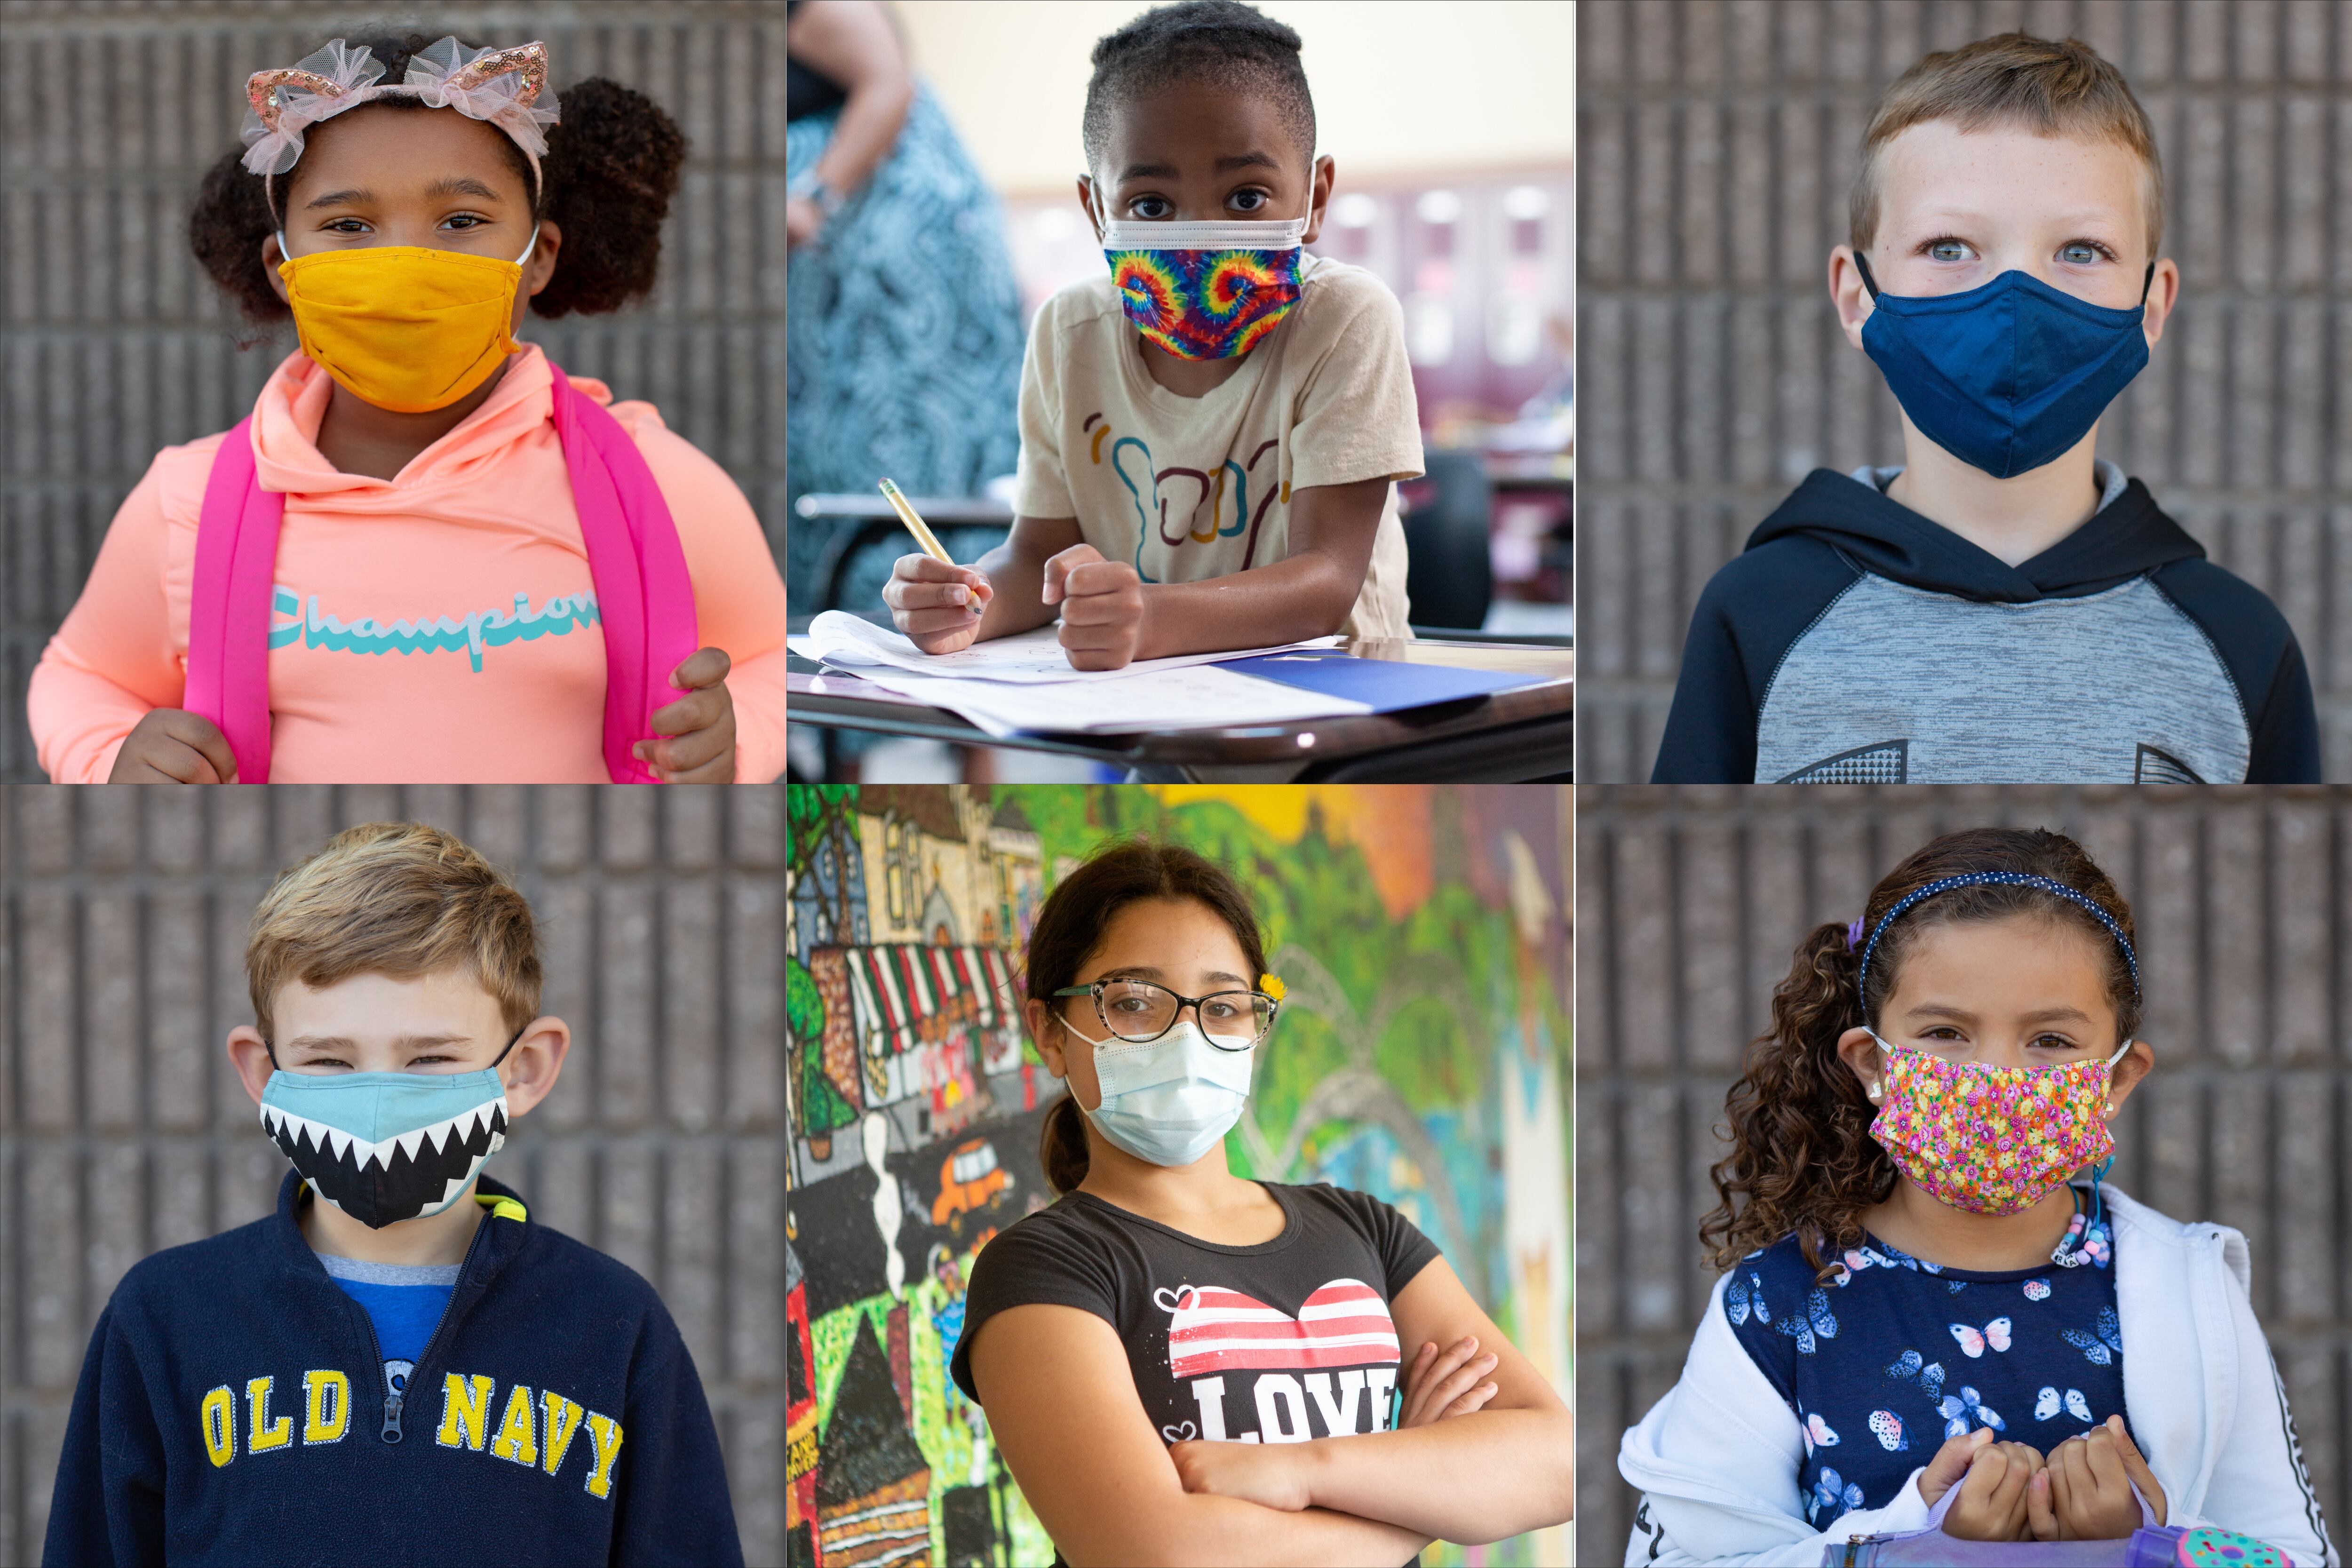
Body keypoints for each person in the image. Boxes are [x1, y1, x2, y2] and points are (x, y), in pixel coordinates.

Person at [29, 31, 793, 784]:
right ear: (282, 269)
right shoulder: (187, 503)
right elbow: (81, 676)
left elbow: (771, 662)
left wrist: (742, 737)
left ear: (539, 257)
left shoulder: (658, 483)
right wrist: (109, 758)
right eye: (347, 226)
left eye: (461, 221)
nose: (404, 264)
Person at [1617, 827, 2336, 1566]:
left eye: (2050, 1040)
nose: (1996, 1077)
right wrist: (1912, 1544)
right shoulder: (1775, 1306)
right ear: (1872, 1062)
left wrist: (2146, 1536)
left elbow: (2296, 1553)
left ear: (2117, 1079)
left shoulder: (2191, 1292)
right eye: (1945, 1032)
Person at [41, 821, 742, 1568]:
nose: (378, 1103)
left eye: (430, 1057)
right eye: (329, 1061)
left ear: (524, 1068)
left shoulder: (614, 1325)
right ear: (263, 1073)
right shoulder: (164, 1318)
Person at [1649, 32, 2318, 784]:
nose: (2015, 303)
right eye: (1948, 247)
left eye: (2081, 250)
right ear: (1857, 295)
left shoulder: (2241, 643)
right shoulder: (1756, 613)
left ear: (2152, 305)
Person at [949, 838, 1573, 1566]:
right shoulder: (1042, 1269)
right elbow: (1164, 1555)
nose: (1187, 1036)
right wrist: (1423, 1494)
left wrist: (1302, 1469)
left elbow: (1556, 1460)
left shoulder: (1362, 1227)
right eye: (1134, 1003)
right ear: (1050, 1032)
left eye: (1223, 1006)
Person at [882, 0, 1424, 672]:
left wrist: (1151, 618)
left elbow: (1326, 582)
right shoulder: (1069, 334)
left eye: (1246, 198)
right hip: (1146, 701)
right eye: (1152, 206)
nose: (1200, 236)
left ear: (1314, 198)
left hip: (1336, 694)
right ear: (1096, 211)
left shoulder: (1345, 318)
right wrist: (967, 603)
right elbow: (1036, 557)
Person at [784, 0, 1025, 608]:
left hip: (888, 256)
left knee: (905, 438)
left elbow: (887, 80)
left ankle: (941, 610)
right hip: (845, 265)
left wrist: (814, 198)